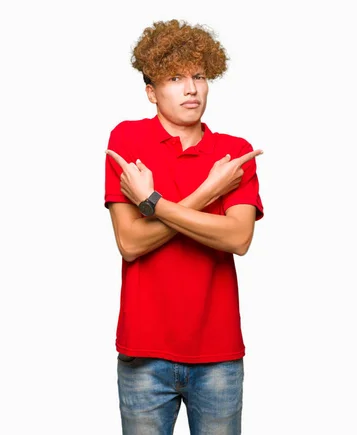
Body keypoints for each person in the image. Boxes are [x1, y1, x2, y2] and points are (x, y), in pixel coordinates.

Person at [104, 19, 264, 435]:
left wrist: (152, 203)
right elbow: (130, 242)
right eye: (175, 78)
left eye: (199, 76)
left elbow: (238, 238)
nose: (191, 88)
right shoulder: (127, 140)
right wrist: (210, 191)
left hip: (218, 355)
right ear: (152, 92)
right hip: (144, 353)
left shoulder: (234, 152)